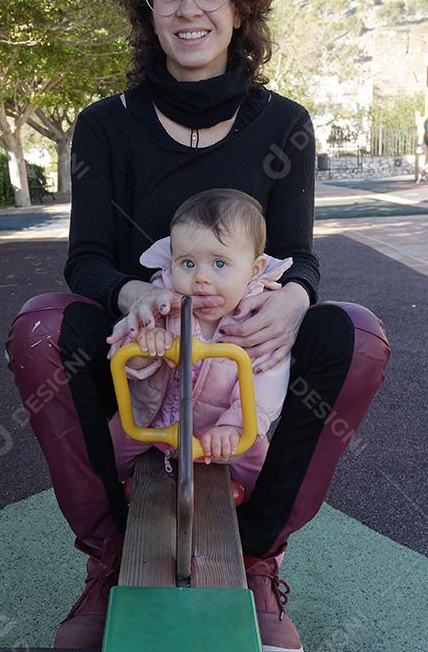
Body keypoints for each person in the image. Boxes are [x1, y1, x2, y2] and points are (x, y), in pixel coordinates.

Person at [6, 0, 390, 652]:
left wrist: (292, 299)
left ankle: (254, 555)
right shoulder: (105, 125)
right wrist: (138, 296)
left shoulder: (284, 125)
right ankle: (111, 559)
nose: (189, 9)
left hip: (241, 347)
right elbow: (86, 260)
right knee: (43, 327)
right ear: (145, 10)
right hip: (143, 345)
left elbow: (298, 257)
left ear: (239, 3)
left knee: (355, 335)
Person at [109, 188, 293, 490]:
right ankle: (112, 516)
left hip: (223, 432)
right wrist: (146, 347)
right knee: (106, 455)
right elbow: (126, 360)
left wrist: (236, 427)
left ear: (254, 269)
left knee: (267, 477)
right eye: (188, 263)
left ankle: (259, 530)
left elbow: (267, 380)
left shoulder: (255, 322)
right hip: (152, 422)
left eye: (219, 264)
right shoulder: (165, 304)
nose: (201, 279)